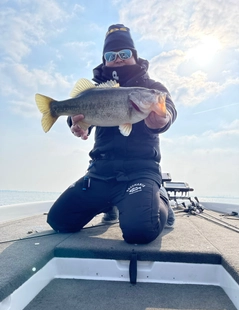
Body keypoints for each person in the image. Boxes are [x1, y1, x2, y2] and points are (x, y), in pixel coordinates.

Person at [47, 24, 177, 244]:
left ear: (134, 56)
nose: (118, 59)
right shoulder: (95, 88)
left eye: (124, 53)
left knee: (140, 231)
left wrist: (163, 119)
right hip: (100, 172)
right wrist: (76, 124)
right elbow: (78, 113)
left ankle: (159, 196)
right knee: (59, 221)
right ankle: (109, 203)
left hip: (140, 172)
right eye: (111, 55)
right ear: (104, 59)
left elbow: (169, 110)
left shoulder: (152, 87)